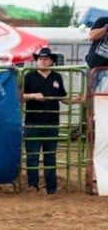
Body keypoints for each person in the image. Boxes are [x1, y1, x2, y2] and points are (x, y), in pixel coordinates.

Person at [22, 47, 66, 195]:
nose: (42, 61)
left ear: (51, 61)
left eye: (46, 58)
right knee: (32, 155)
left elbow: (63, 97)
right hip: (33, 121)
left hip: (52, 121)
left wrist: (76, 100)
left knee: (50, 156)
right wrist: (33, 95)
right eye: (40, 58)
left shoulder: (57, 77)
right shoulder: (28, 76)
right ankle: (33, 186)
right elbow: (20, 96)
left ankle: (51, 188)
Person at [85, 15, 108, 92]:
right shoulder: (103, 20)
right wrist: (106, 28)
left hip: (106, 70)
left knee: (102, 99)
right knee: (87, 96)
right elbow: (92, 36)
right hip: (92, 66)